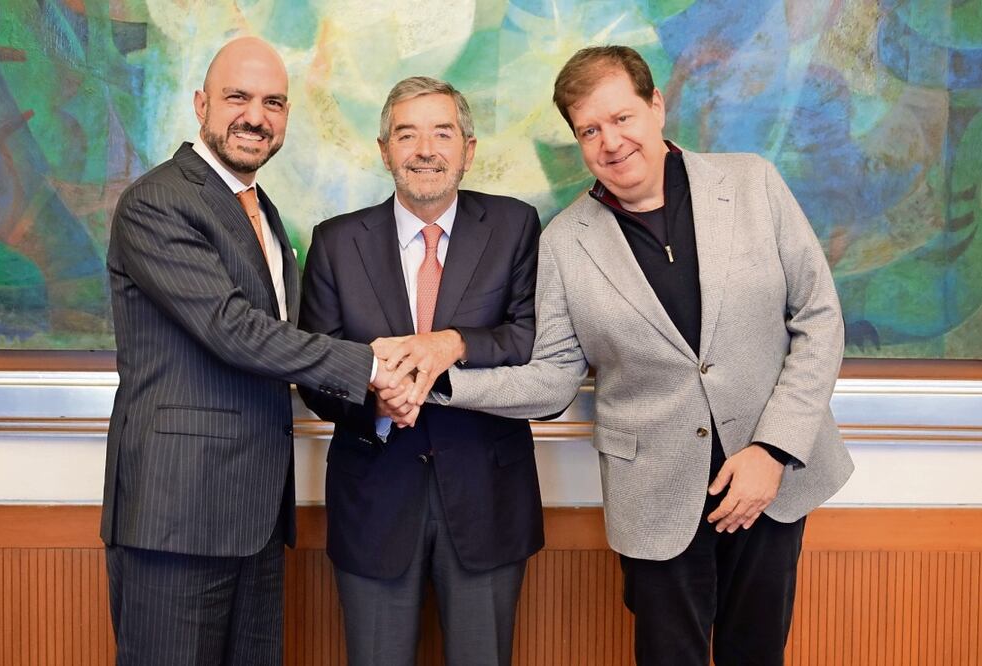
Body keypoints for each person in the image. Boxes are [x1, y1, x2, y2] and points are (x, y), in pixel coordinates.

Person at [378, 46, 854, 666]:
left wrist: (773, 450)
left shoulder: (753, 183)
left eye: (622, 117)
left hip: (771, 480)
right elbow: (551, 381)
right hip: (654, 495)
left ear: (656, 106)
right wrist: (440, 384)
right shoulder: (565, 242)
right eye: (589, 130)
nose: (610, 141)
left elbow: (819, 317)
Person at [100, 37, 402, 665]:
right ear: (201, 104)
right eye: (237, 97)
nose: (256, 117)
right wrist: (371, 367)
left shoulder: (261, 210)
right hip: (176, 516)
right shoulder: (159, 201)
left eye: (274, 102)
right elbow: (231, 328)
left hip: (255, 517)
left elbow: (273, 347)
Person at [297, 76, 544, 666]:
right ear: (384, 151)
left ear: (469, 149)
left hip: (487, 496)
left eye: (442, 133)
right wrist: (375, 402)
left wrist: (451, 345)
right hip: (374, 500)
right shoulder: (334, 242)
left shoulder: (515, 227)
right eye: (406, 135)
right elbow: (315, 371)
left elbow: (532, 338)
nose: (425, 149)